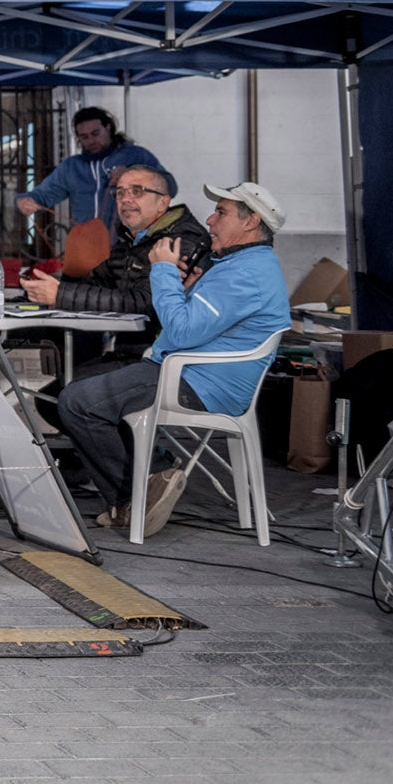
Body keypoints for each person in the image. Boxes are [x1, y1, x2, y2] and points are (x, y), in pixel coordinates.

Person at [56, 181, 292, 538]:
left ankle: (134, 497)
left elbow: (180, 332)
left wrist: (163, 271)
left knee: (78, 401)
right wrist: (188, 289)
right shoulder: (241, 264)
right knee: (84, 389)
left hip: (198, 382)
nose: (210, 220)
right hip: (189, 372)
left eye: (222, 213)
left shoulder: (245, 273)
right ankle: (153, 475)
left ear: (250, 222)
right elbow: (193, 323)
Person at [20, 164, 211, 357]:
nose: (125, 199)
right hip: (125, 350)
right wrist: (41, 291)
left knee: (75, 382)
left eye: (137, 191)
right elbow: (97, 284)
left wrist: (60, 294)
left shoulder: (181, 240)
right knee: (37, 338)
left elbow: (145, 303)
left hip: (158, 355)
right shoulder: (131, 240)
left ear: (162, 203)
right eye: (120, 193)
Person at [16, 108, 170, 234]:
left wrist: (134, 176)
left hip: (131, 245)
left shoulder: (135, 155)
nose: (91, 141)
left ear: (108, 128)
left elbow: (170, 186)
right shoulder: (71, 167)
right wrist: (26, 200)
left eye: (96, 134)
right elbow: (43, 195)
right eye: (84, 137)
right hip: (88, 249)